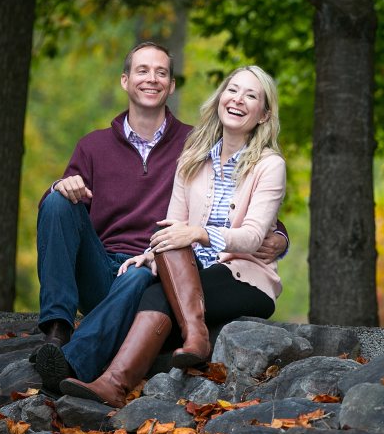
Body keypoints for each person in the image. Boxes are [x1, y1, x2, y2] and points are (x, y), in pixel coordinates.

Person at [32, 45, 288, 392]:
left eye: (161, 73)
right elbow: (56, 217)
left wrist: (280, 237)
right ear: (125, 80)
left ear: (170, 86)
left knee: (146, 280)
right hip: (113, 265)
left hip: (153, 272)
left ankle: (76, 367)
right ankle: (57, 330)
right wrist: (60, 186)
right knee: (57, 201)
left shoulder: (191, 144)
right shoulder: (95, 146)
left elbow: (250, 213)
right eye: (142, 71)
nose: (151, 79)